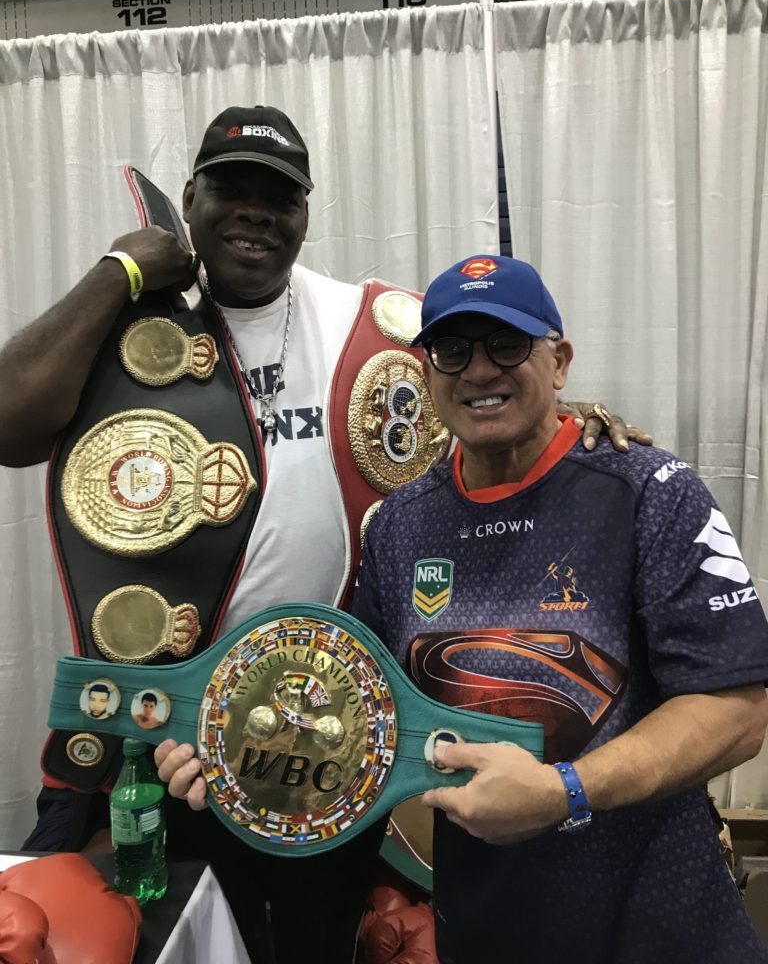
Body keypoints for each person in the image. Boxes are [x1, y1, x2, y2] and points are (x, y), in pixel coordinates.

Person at [0, 107, 641, 964]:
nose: (255, 212)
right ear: (189, 200)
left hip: (332, 740)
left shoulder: (371, 324)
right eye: (231, 189)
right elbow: (7, 423)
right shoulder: (128, 337)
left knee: (316, 945)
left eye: (280, 195)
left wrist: (576, 421)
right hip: (174, 737)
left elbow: (491, 378)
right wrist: (119, 272)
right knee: (172, 939)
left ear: (305, 213)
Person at [349, 254, 768, 964]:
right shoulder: (397, 527)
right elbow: (365, 714)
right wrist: (236, 762)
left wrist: (563, 791)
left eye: (507, 344)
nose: (479, 371)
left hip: (661, 928)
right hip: (485, 930)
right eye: (453, 349)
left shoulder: (654, 491)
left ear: (560, 360)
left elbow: (736, 712)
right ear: (427, 376)